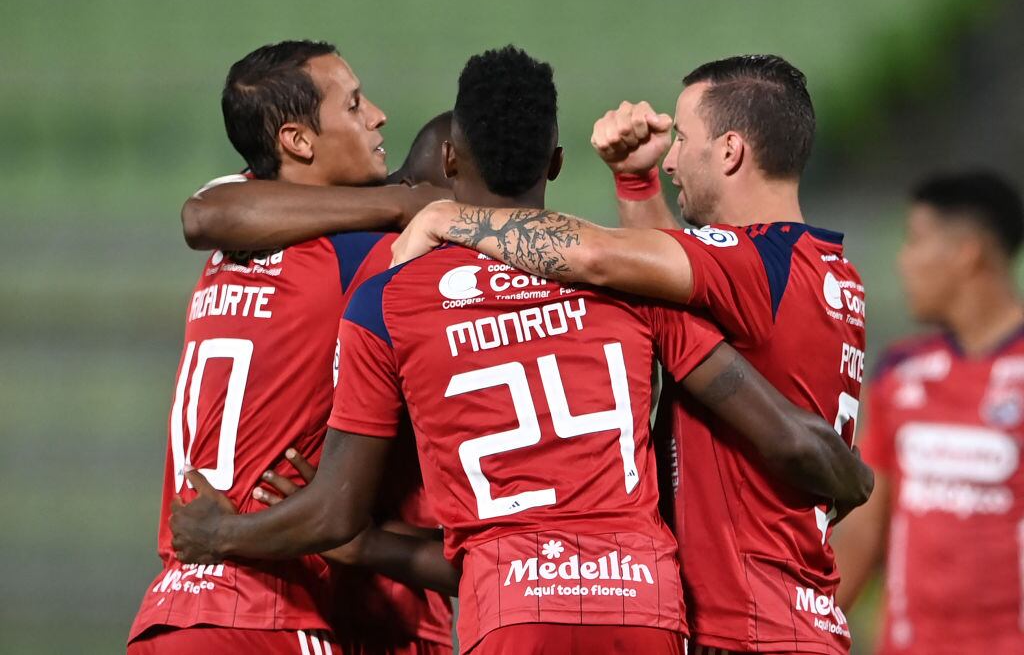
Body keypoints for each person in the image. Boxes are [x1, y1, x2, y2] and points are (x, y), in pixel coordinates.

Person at [168, 46, 870, 655]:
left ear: (449, 162)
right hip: (647, 602)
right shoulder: (644, 292)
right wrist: (852, 477)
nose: (674, 158)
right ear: (557, 163)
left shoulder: (390, 297)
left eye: (682, 139)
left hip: (514, 605)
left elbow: (335, 510)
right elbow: (769, 420)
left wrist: (230, 533)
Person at [393, 54, 867, 654]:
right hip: (794, 616)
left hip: (748, 626)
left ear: (730, 151)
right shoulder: (822, 272)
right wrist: (635, 182)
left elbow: (596, 256)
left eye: (683, 141)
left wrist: (451, 218)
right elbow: (672, 285)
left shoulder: (754, 263)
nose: (671, 160)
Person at [127, 40, 453, 655]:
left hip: (175, 606)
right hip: (282, 609)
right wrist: (410, 209)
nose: (378, 115)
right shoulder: (372, 258)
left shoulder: (235, 242)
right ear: (298, 141)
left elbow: (204, 213)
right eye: (353, 105)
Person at [833, 171, 1024, 655]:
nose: (903, 261)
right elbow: (866, 527)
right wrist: (806, 632)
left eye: (916, 240)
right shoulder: (901, 371)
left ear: (967, 253)